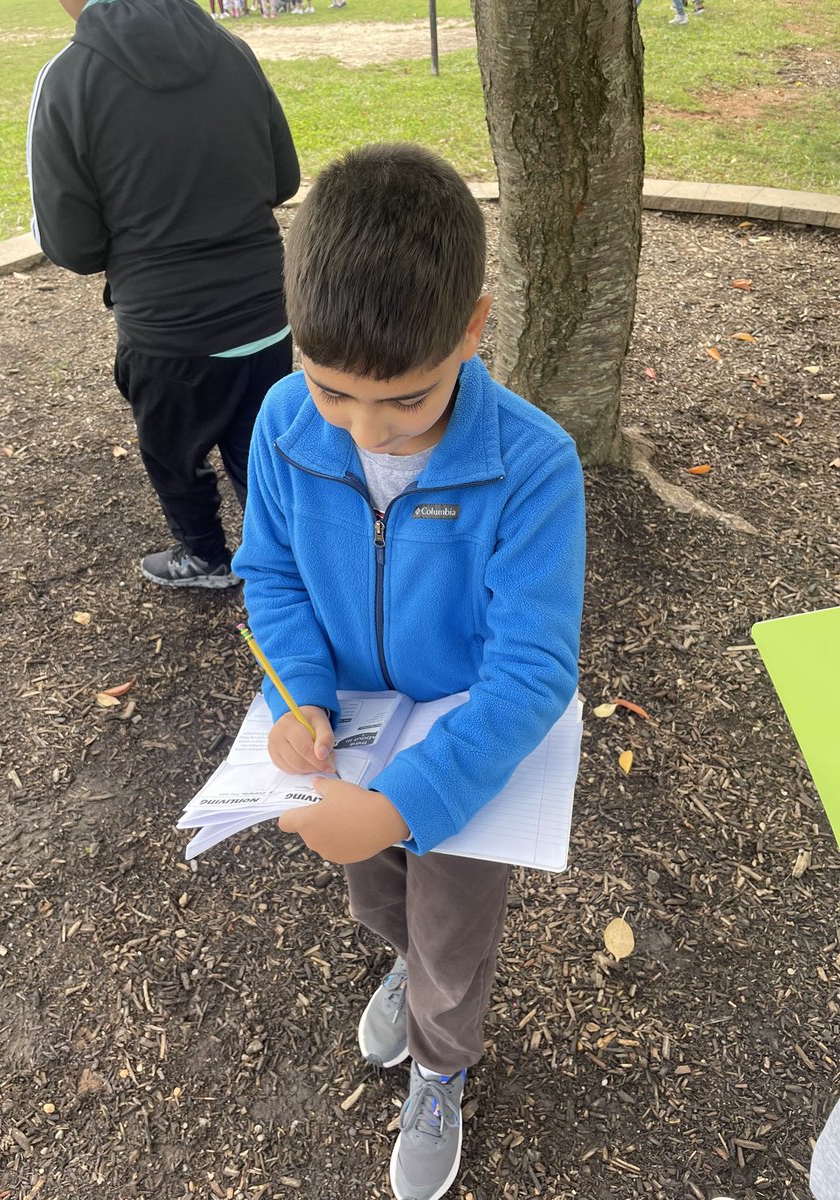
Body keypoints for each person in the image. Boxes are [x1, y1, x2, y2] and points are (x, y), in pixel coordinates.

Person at [232, 143, 585, 1200]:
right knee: (377, 900)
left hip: (469, 751)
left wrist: (402, 804)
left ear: (474, 330)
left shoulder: (533, 463)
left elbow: (531, 671)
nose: (366, 427)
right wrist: (301, 695)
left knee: (453, 931)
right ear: (298, 340)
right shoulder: (284, 424)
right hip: (352, 732)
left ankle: (443, 1064)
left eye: (408, 402)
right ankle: (405, 970)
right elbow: (271, 574)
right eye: (333, 390)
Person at [28, 0, 300, 587]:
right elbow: (284, 179)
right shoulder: (232, 49)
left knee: (173, 454)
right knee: (264, 451)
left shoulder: (70, 76)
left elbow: (70, 245)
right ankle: (285, 567)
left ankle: (204, 556)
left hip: (167, 325)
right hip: (263, 307)